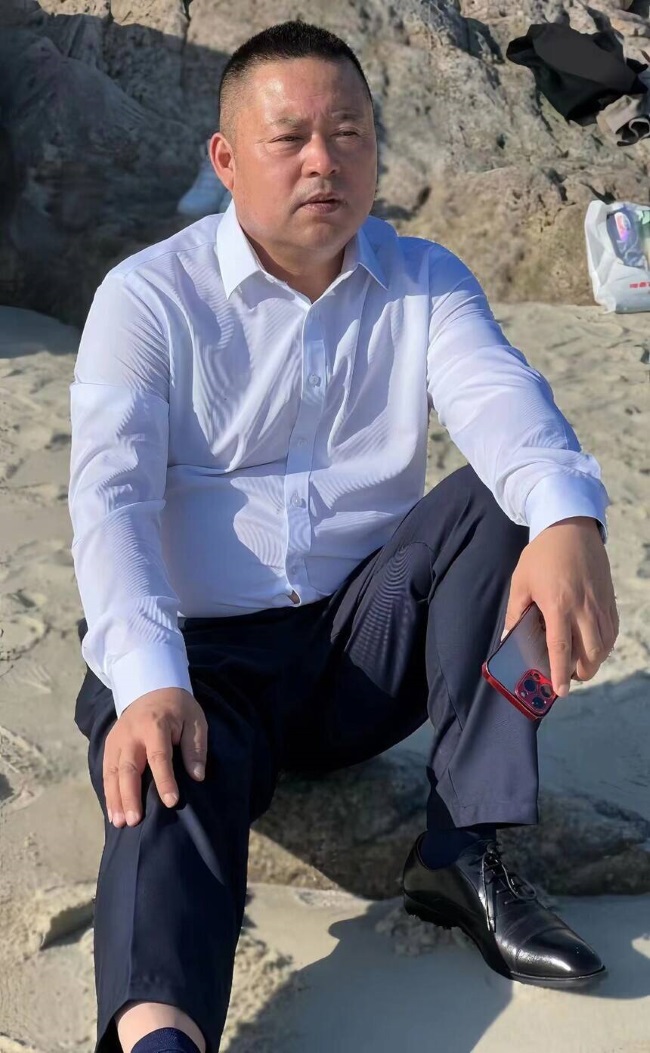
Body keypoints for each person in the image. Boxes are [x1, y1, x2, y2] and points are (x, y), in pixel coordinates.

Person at [68, 20, 619, 1053]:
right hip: (202, 663)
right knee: (161, 777)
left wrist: (568, 518)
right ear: (226, 158)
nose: (323, 160)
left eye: (349, 133)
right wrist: (147, 681)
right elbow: (112, 502)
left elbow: (500, 401)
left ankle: (467, 846)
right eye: (289, 138)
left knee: (516, 505)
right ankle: (159, 1033)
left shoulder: (423, 278)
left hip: (361, 651)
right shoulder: (147, 298)